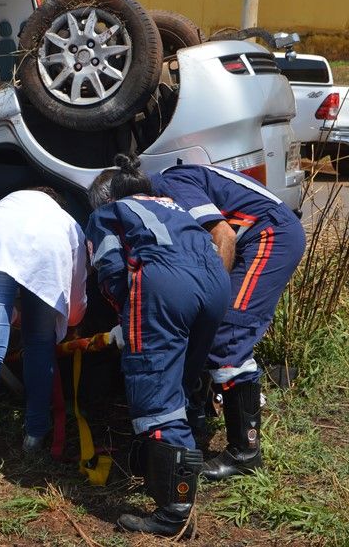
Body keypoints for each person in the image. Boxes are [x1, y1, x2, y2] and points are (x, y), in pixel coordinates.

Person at [85, 155, 230, 538]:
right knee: (184, 378)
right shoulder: (174, 205)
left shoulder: (108, 214)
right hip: (215, 284)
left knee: (155, 391)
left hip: (165, 288)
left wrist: (127, 315)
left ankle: (174, 511)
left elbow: (111, 268)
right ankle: (185, 459)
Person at [149, 163, 306, 481]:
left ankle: (245, 453)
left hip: (271, 236)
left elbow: (224, 236)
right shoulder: (163, 198)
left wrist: (211, 298)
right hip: (260, 234)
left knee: (227, 332)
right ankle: (202, 414)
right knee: (207, 327)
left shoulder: (170, 184)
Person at [0, 188, 87, 487]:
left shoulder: (1, 209)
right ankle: (34, 436)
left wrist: (11, 315)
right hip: (50, 247)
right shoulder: (66, 221)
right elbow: (74, 306)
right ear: (56, 200)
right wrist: (67, 321)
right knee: (39, 344)